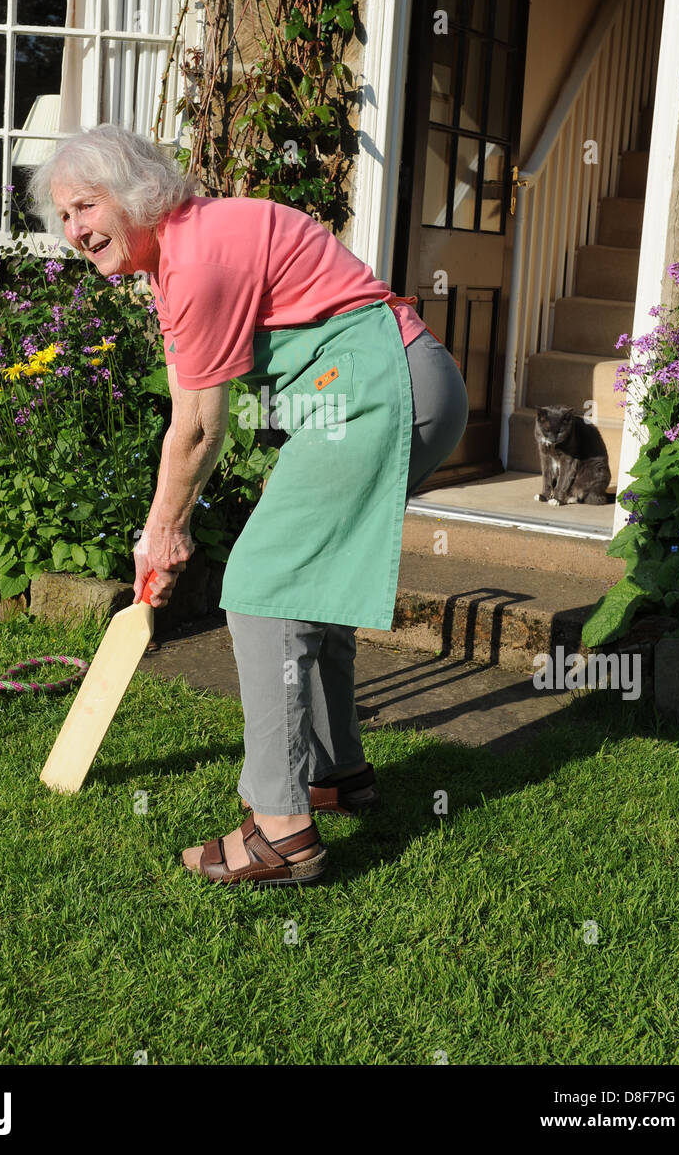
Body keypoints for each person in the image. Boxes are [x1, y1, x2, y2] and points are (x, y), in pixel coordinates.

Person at [30, 124, 468, 887]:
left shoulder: (196, 259)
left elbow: (200, 430)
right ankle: (334, 774)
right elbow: (186, 416)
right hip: (377, 386)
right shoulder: (181, 258)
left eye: (86, 206)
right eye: (63, 216)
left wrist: (162, 530)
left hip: (373, 388)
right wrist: (163, 531)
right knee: (302, 583)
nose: (75, 230)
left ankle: (280, 829)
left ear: (134, 196)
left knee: (264, 587)